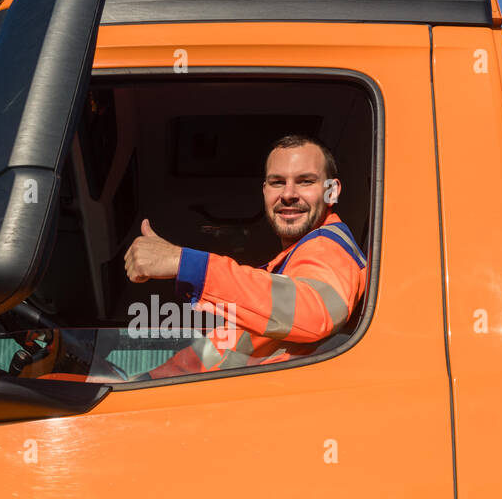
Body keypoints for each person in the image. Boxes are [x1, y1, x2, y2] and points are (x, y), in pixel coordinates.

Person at [123, 134, 367, 379]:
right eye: (277, 182)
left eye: (305, 181)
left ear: (332, 192)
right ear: (265, 191)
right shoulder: (279, 276)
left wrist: (182, 262)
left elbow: (315, 311)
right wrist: (142, 382)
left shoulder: (327, 246)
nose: (288, 194)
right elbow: (210, 354)